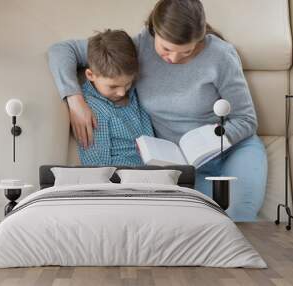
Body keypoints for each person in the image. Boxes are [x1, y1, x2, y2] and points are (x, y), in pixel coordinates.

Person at [47, 0, 267, 221]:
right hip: (184, 165)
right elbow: (61, 50)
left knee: (239, 212)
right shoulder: (136, 47)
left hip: (235, 149)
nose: (173, 58)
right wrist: (75, 100)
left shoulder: (220, 55)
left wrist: (210, 141)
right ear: (154, 30)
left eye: (187, 51)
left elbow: (246, 119)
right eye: (166, 49)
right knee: (204, 218)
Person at [53, 29, 154, 166]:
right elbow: (97, 164)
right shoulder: (93, 109)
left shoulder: (134, 92)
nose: (122, 92)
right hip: (120, 179)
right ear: (90, 75)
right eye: (113, 87)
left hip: (153, 170)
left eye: (128, 83)